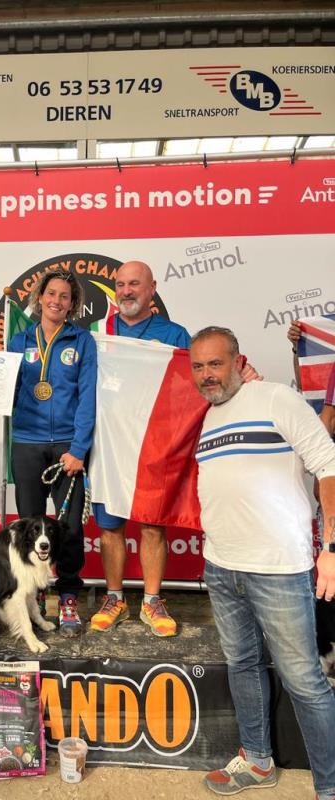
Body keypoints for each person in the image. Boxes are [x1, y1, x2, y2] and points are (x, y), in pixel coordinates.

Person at [189, 326, 335, 800]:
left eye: (215, 363)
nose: (207, 375)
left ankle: (330, 786)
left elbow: (328, 466)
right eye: (198, 367)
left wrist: (331, 550)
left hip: (280, 570)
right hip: (221, 568)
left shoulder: (276, 399)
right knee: (243, 665)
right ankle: (257, 761)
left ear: (238, 361)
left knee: (305, 682)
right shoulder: (208, 418)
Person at [0, 271, 97, 636]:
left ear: (73, 304)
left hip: (67, 447)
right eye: (51, 293)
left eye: (65, 296)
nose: (57, 300)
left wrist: (79, 449)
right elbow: (6, 390)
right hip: (26, 442)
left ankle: (68, 598)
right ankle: (34, 598)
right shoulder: (19, 341)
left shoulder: (82, 341)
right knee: (29, 526)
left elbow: (88, 397)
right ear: (40, 297)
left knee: (70, 527)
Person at [90, 260, 190, 636]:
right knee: (110, 528)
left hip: (154, 445)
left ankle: (151, 601)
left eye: (134, 284)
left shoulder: (175, 334)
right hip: (107, 445)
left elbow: (193, 388)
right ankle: (114, 598)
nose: (126, 291)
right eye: (120, 284)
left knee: (152, 526)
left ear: (152, 289)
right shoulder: (96, 333)